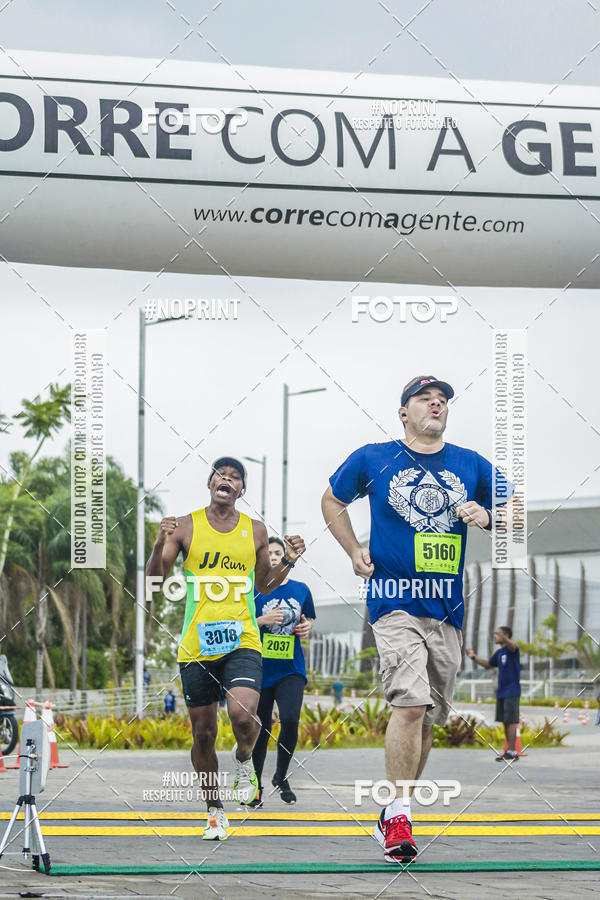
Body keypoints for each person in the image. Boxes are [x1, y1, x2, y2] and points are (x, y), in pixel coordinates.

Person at [321, 375, 514, 864]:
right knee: (409, 703)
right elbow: (332, 500)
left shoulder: (472, 464)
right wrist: (353, 549)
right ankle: (402, 815)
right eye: (425, 398)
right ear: (403, 412)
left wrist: (490, 518)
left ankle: (393, 806)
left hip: (446, 609)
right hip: (393, 600)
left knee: (429, 715)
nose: (437, 403)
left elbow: (517, 510)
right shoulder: (373, 457)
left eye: (443, 399)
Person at [146, 456, 305, 841]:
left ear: (241, 490)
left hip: (243, 640)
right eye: (221, 474)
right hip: (197, 644)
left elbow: (265, 585)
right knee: (203, 733)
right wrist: (158, 542)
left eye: (235, 477)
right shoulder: (184, 526)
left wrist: (290, 563)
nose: (227, 479)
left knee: (244, 715)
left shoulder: (255, 530)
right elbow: (154, 581)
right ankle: (214, 810)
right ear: (210, 482)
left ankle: (244, 757)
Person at [249, 536, 315, 807]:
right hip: (260, 667)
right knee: (260, 728)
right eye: (269, 554)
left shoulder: (301, 589)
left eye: (278, 553)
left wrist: (307, 628)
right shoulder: (253, 590)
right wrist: (262, 620)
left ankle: (281, 775)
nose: (274, 557)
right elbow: (238, 623)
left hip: (291, 668)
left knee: (289, 721)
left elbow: (307, 619)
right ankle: (255, 785)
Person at [467, 626, 522, 761]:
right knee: (505, 721)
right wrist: (473, 657)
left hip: (512, 691)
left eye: (497, 634)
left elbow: (513, 646)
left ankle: (512, 752)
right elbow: (488, 664)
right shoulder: (500, 653)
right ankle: (508, 750)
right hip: (501, 692)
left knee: (511, 721)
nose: (495, 636)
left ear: (506, 636)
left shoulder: (512, 650)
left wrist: (506, 638)